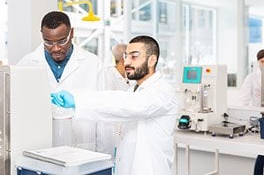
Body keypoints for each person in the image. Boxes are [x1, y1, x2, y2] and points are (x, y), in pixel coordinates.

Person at [51, 35, 178, 175]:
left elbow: (129, 105)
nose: (127, 62)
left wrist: (78, 99)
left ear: (152, 60)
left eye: (134, 56)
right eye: (126, 56)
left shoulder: (163, 91)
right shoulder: (134, 89)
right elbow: (114, 112)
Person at [17, 11, 106, 152]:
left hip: (84, 149)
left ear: (72, 33)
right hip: (40, 149)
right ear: (42, 35)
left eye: (62, 41)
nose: (56, 48)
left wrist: (105, 158)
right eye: (48, 42)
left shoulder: (93, 64)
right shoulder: (26, 64)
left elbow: (103, 113)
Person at [238, 49, 264, 175]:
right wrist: (244, 118)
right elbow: (244, 99)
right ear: (258, 62)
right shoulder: (252, 78)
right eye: (262, 61)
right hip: (261, 119)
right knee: (263, 152)